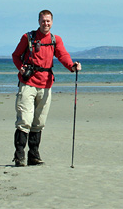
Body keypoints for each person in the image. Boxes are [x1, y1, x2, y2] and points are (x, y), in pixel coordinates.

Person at [11, 9, 81, 167]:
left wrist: (72, 66)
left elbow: (63, 56)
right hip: (28, 83)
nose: (46, 23)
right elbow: (16, 55)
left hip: (46, 85)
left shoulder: (56, 40)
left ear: (52, 22)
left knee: (39, 122)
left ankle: (33, 156)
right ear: (38, 21)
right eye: (43, 21)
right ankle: (19, 155)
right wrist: (21, 67)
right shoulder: (27, 38)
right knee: (24, 120)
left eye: (48, 21)